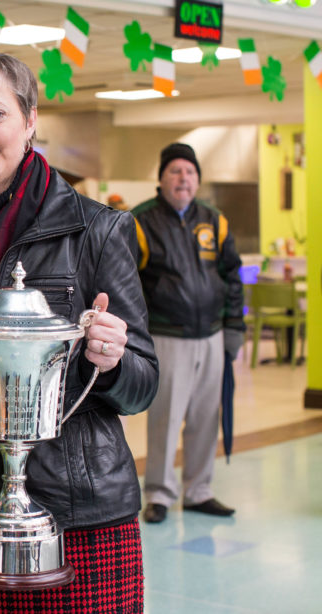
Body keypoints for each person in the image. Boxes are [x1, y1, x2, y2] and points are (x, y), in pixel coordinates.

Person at [0, 50, 159, 613]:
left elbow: (143, 385)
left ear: (30, 119)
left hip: (81, 508)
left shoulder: (99, 231)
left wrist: (111, 360)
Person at [132, 142, 245, 524]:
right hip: (167, 335)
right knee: (165, 418)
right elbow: (125, 283)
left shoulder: (215, 221)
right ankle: (160, 493)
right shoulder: (141, 221)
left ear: (198, 180)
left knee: (204, 417)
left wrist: (234, 327)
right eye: (176, 171)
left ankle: (199, 490)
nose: (183, 178)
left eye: (190, 172)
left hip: (211, 335)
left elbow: (232, 277)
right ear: (161, 179)